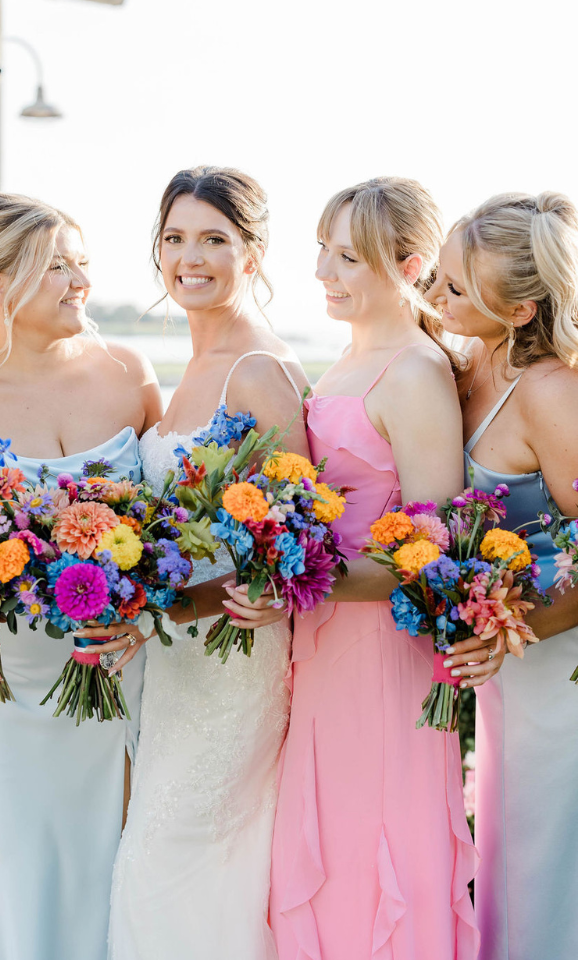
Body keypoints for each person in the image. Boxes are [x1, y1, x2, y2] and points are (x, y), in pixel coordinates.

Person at [0, 183, 161, 960]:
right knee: (23, 864)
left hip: (113, 661)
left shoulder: (128, 370)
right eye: (58, 266)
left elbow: (166, 521)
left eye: (82, 263)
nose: (82, 281)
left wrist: (147, 605)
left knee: (116, 860)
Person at [267, 178, 480, 960]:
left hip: (382, 648)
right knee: (332, 845)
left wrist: (289, 578)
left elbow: (432, 550)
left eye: (347, 257)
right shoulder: (351, 356)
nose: (323, 270)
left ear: (410, 266)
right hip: (322, 643)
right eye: (322, 249)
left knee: (377, 837)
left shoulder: (416, 373)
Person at [105, 166, 309, 960]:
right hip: (170, 660)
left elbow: (293, 548)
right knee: (164, 855)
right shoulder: (190, 367)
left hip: (231, 659)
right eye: (174, 238)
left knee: (174, 855)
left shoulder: (257, 371)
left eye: (214, 239)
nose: (190, 258)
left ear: (251, 253)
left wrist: (160, 609)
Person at [427, 192, 578, 960]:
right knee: (509, 857)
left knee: (541, 866)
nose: (434, 296)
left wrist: (510, 629)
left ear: (520, 311)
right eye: (437, 274)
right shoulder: (472, 361)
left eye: (454, 288)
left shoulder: (550, 392)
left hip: (554, 665)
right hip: (507, 669)